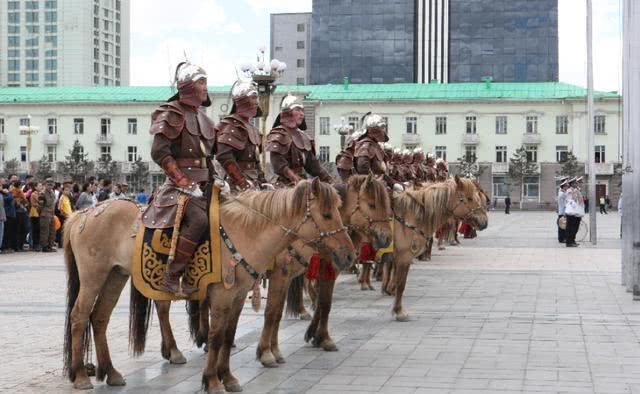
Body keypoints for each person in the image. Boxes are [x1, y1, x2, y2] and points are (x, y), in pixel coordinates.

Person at [141, 61, 216, 295]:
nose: (205, 87)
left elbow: (208, 157)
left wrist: (218, 178)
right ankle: (172, 275)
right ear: (189, 86)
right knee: (200, 221)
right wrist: (183, 181)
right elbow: (159, 153)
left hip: (205, 185)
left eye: (205, 82)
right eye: (201, 82)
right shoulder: (171, 112)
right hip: (179, 186)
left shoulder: (204, 118)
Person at [266, 94, 332, 186]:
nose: (302, 114)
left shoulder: (304, 137)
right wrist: (295, 178)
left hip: (303, 183)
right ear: (287, 112)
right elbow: (278, 165)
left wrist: (329, 180)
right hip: (284, 184)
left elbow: (313, 166)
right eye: (297, 109)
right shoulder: (278, 134)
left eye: (302, 110)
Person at [215, 78, 268, 192]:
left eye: (256, 97)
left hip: (254, 184)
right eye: (253, 97)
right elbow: (224, 157)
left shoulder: (252, 128)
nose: (257, 102)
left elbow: (256, 161)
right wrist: (242, 183)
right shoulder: (230, 125)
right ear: (243, 100)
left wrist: (263, 181)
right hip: (235, 186)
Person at [564, 177, 584, 247]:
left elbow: (580, 201)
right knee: (571, 227)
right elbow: (571, 201)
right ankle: (569, 242)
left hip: (577, 212)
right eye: (575, 183)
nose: (577, 184)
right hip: (572, 213)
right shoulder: (569, 191)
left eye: (577, 183)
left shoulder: (576, 190)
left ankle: (572, 240)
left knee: (575, 227)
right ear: (572, 184)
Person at [39, 179, 57, 252]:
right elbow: (40, 205)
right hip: (45, 214)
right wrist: (42, 213)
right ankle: (44, 246)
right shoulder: (42, 193)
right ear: (45, 185)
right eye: (48, 184)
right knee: (45, 231)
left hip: (52, 214)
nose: (50, 186)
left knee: (52, 231)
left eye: (51, 184)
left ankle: (50, 245)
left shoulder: (52, 192)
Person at [29, 182, 42, 251]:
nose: (41, 187)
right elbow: (40, 201)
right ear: (36, 187)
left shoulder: (40, 194)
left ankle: (38, 244)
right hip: (35, 212)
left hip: (39, 211)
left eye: (41, 186)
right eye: (39, 186)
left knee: (39, 229)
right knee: (35, 229)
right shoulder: (34, 194)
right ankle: (35, 244)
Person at [557, 179, 569, 243]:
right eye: (566, 186)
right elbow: (565, 204)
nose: (567, 187)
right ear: (563, 187)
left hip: (562, 212)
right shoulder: (562, 194)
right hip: (563, 212)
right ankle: (561, 239)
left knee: (562, 226)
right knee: (562, 227)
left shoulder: (561, 193)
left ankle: (562, 238)